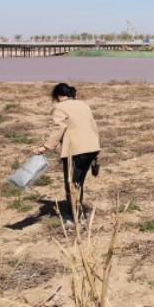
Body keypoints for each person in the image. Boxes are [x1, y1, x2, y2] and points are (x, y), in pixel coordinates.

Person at [35, 83, 101, 224]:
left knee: (71, 184)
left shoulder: (60, 107)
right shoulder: (83, 105)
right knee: (79, 183)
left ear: (58, 95)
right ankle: (78, 213)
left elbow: (59, 128)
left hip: (76, 150)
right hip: (92, 148)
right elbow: (93, 126)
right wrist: (96, 153)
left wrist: (45, 147)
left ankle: (76, 217)